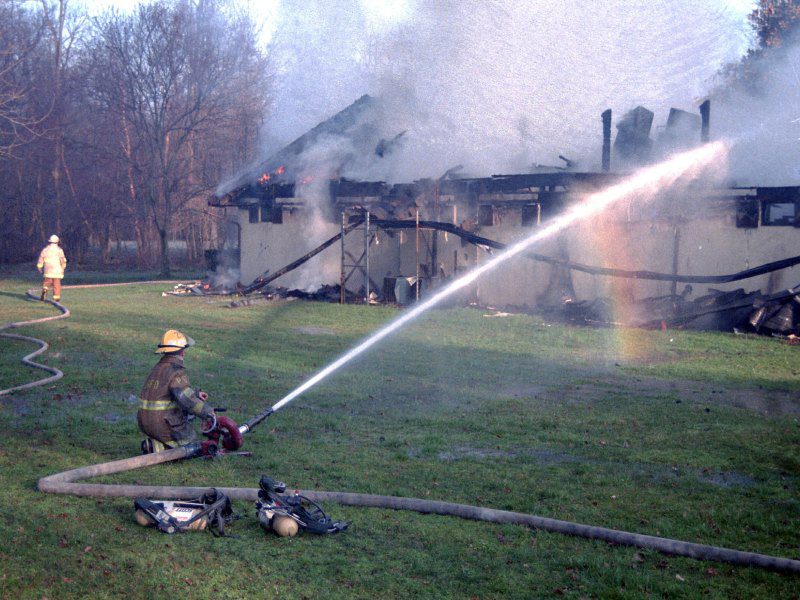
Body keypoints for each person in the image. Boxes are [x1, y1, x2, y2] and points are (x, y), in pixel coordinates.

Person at [138, 329, 215, 453]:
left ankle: (154, 446)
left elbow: (167, 392)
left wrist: (196, 394)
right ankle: (161, 448)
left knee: (177, 434)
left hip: (144, 422)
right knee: (191, 441)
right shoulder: (176, 371)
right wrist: (208, 412)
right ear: (183, 352)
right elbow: (187, 399)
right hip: (161, 423)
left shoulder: (157, 368)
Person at [36, 234, 67, 302]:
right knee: (56, 283)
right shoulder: (59, 250)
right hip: (57, 269)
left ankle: (45, 289)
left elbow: (41, 258)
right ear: (57, 242)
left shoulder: (45, 249)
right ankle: (56, 298)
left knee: (47, 281)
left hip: (48, 268)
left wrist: (39, 267)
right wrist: (63, 267)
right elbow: (62, 260)